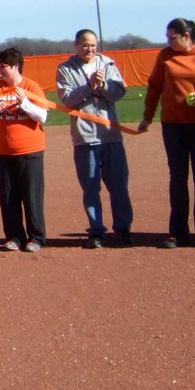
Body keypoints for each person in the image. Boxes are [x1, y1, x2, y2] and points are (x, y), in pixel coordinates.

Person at [138, 19, 195, 249]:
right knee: (177, 178)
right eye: (168, 37)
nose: (168, 41)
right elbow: (154, 87)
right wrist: (148, 117)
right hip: (173, 125)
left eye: (173, 37)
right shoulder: (165, 56)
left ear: (187, 35)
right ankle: (178, 232)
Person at [55, 30, 133, 248]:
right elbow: (68, 99)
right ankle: (96, 231)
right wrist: (88, 86)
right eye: (85, 45)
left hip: (110, 135)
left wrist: (105, 85)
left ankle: (123, 229)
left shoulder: (108, 64)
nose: (89, 49)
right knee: (90, 187)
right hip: (85, 137)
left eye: (93, 45)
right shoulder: (65, 69)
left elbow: (119, 93)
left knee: (119, 186)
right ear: (76, 45)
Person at [0, 48, 49, 252]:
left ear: (16, 66)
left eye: (4, 66)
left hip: (29, 151)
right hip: (3, 151)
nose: (0, 70)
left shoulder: (30, 86)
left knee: (31, 196)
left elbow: (42, 116)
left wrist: (25, 103)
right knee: (8, 197)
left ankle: (36, 237)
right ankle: (14, 236)